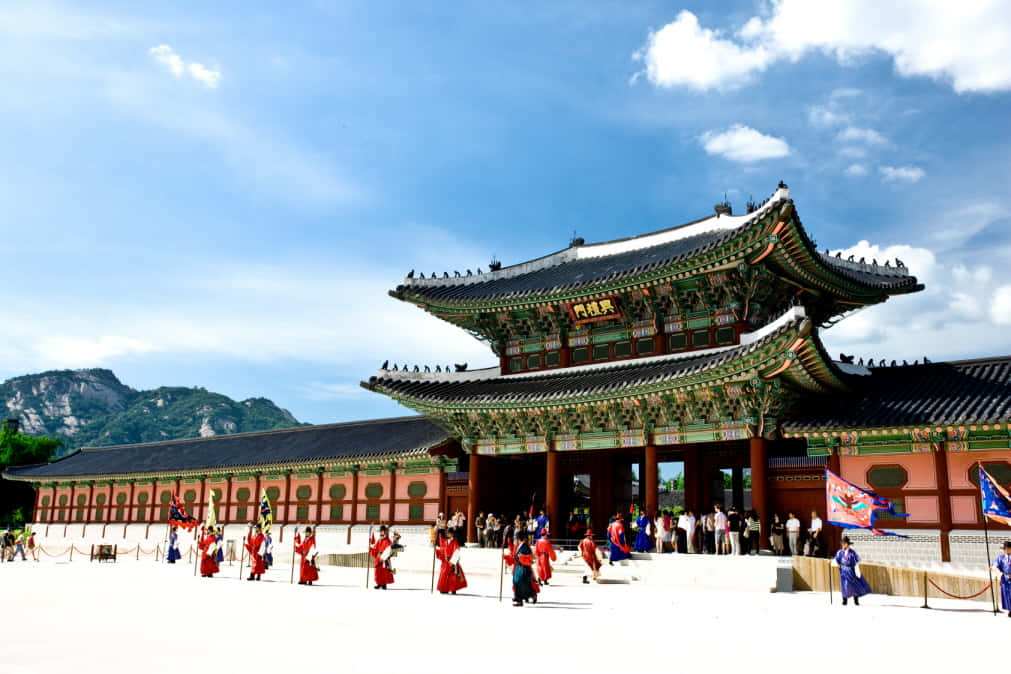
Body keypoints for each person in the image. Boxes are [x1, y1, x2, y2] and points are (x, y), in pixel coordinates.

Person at [832, 536, 871, 606]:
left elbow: (856, 562)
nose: (843, 545)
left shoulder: (852, 552)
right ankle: (844, 600)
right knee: (844, 585)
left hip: (850, 570)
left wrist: (857, 571)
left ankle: (856, 600)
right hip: (843, 570)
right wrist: (832, 562)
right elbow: (836, 560)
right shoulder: (840, 552)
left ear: (847, 544)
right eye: (842, 544)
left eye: (844, 543)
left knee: (853, 584)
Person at [508, 533, 538, 607]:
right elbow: (514, 556)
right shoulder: (519, 546)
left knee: (521, 583)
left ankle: (531, 594)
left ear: (518, 539)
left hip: (524, 567)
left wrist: (521, 556)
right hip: (518, 567)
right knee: (515, 581)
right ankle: (518, 598)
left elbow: (530, 557)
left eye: (516, 539)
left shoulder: (525, 547)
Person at [436, 529, 467, 594]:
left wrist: (453, 561)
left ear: (452, 534)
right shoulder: (445, 542)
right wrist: (436, 551)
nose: (448, 534)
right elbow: (442, 550)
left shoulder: (455, 542)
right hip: (445, 561)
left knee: (452, 576)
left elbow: (457, 551)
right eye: (447, 533)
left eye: (449, 533)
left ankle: (452, 589)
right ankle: (444, 589)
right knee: (443, 575)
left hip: (452, 561)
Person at [370, 525, 395, 590]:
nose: (381, 533)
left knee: (384, 571)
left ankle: (384, 584)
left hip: (384, 558)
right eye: (380, 531)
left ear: (385, 532)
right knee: (377, 571)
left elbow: (389, 549)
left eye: (382, 531)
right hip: (378, 558)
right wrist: (370, 549)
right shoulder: (379, 540)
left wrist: (384, 556)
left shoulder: (387, 540)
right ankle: (378, 583)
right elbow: (375, 548)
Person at [991, 540, 1011, 618]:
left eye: (1007, 548)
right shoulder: (1001, 558)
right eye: (1004, 549)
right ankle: (1009, 609)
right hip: (1005, 578)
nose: (1005, 550)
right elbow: (995, 564)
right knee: (1007, 594)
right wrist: (993, 567)